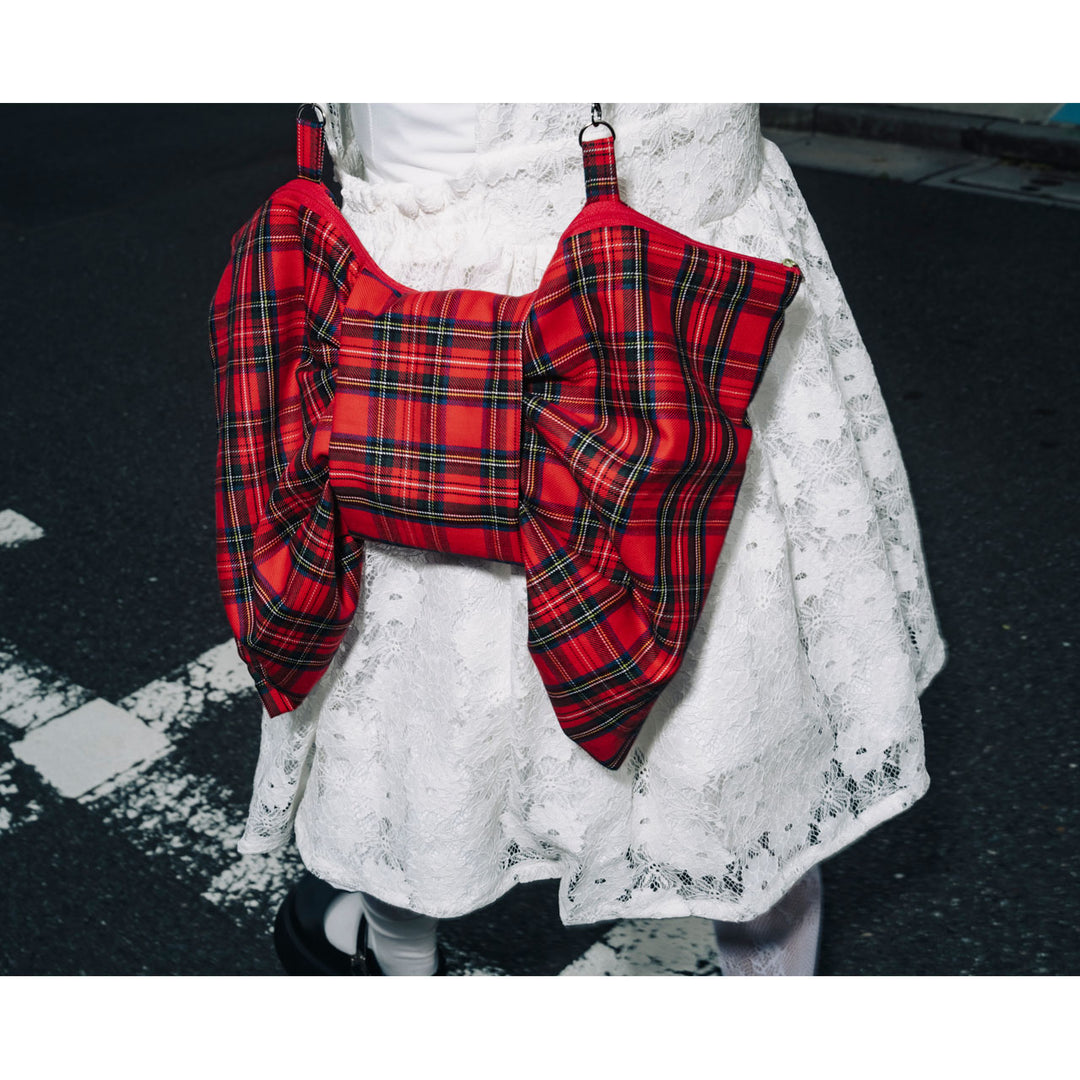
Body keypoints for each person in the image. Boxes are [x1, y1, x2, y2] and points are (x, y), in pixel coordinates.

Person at [235, 104, 945, 976]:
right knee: (734, 717)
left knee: (412, 705)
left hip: (429, 260)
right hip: (658, 282)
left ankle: (392, 950)